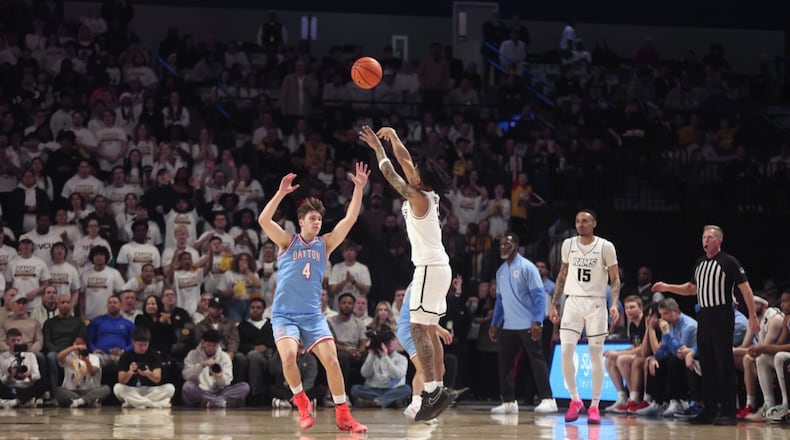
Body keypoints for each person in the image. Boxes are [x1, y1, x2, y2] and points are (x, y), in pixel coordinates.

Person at [257, 163, 369, 433]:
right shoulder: (287, 241)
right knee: (287, 359)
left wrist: (358, 189)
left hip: (312, 316)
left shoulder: (326, 244)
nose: (317, 222)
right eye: (312, 219)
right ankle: (301, 402)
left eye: (319, 219)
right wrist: (281, 193)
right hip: (284, 314)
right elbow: (263, 220)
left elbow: (350, 219)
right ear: (301, 222)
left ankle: (344, 415)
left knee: (332, 361)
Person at [359, 125, 455, 421]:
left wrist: (378, 149)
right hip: (440, 267)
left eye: (415, 174)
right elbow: (405, 162)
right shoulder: (428, 192)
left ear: (419, 181)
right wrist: (395, 139)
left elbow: (392, 175)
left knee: (416, 328)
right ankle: (438, 387)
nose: (411, 172)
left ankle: (431, 390)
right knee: (428, 329)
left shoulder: (418, 196)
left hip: (428, 267)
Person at [651, 224, 759, 425]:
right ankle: (708, 411)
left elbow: (746, 290)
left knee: (723, 362)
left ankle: (729, 412)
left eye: (710, 237)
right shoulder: (700, 263)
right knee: (707, 363)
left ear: (719, 240)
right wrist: (668, 287)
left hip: (722, 314)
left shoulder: (729, 261)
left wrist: (753, 316)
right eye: (703, 237)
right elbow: (691, 289)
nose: (706, 240)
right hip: (704, 315)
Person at [549, 209, 621, 424]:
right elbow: (562, 274)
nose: (580, 224)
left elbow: (615, 279)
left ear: (594, 223)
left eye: (585, 221)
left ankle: (595, 406)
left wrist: (615, 303)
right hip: (572, 301)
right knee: (566, 351)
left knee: (595, 354)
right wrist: (554, 303)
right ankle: (574, 399)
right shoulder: (568, 244)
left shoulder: (606, 246)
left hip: (596, 302)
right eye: (578, 221)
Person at [489, 232, 557, 414]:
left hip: (528, 324)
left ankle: (548, 399)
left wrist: (537, 321)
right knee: (504, 363)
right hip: (510, 326)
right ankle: (509, 402)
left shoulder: (528, 267)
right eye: (501, 244)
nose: (503, 247)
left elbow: (540, 296)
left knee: (537, 361)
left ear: (516, 246)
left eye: (507, 244)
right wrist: (495, 323)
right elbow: (500, 301)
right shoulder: (501, 271)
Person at [181, 329, 250, 408]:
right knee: (187, 386)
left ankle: (212, 402)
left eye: (214, 346)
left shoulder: (224, 357)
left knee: (245, 387)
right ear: (203, 343)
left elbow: (227, 382)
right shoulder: (193, 354)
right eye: (208, 345)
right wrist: (201, 365)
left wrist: (219, 376)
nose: (211, 348)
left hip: (219, 391)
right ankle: (220, 402)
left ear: (217, 345)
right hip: (201, 391)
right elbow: (186, 376)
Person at [113, 327, 176, 408]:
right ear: (133, 342)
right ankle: (153, 404)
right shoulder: (125, 356)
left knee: (170, 388)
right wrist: (130, 372)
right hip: (132, 390)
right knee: (117, 388)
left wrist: (148, 373)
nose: (143, 348)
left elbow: (157, 379)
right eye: (140, 345)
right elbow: (121, 381)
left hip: (150, 390)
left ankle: (135, 403)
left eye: (145, 345)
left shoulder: (154, 355)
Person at [350, 327, 411, 408]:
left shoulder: (401, 358)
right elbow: (364, 374)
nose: (390, 343)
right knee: (355, 389)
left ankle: (376, 402)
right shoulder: (373, 356)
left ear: (396, 341)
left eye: (392, 340)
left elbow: (397, 375)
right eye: (387, 341)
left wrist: (385, 357)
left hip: (392, 389)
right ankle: (388, 402)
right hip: (372, 389)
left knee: (406, 389)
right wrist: (371, 354)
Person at [54, 335, 111, 408]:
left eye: (82, 344)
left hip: (89, 390)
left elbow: (93, 372)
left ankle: (80, 401)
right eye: (77, 343)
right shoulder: (69, 357)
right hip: (71, 391)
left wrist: (86, 361)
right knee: (59, 390)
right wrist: (73, 348)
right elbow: (59, 357)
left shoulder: (94, 357)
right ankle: (87, 401)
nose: (79, 346)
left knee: (106, 389)